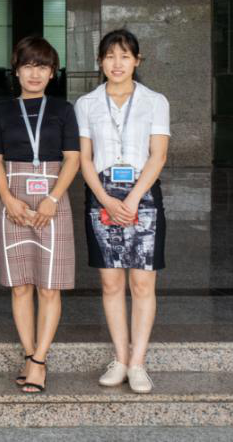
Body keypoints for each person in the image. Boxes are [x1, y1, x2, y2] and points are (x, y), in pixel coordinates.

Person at [75, 29, 169, 395]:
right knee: (111, 282)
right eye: (110, 56)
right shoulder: (87, 103)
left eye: (125, 56)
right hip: (101, 195)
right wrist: (104, 199)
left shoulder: (154, 101)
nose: (117, 63)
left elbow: (158, 155)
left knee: (142, 282)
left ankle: (138, 362)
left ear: (137, 61)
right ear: (100, 61)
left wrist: (132, 200)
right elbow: (84, 158)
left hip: (143, 197)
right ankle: (120, 358)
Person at [0, 37, 80, 394]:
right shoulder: (1, 111)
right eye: (28, 65)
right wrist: (7, 199)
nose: (35, 73)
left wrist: (53, 198)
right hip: (14, 198)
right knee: (20, 285)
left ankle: (40, 360)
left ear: (53, 72)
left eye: (42, 66)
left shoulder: (63, 109)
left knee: (49, 286)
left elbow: (72, 158)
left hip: (52, 200)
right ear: (16, 71)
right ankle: (29, 354)